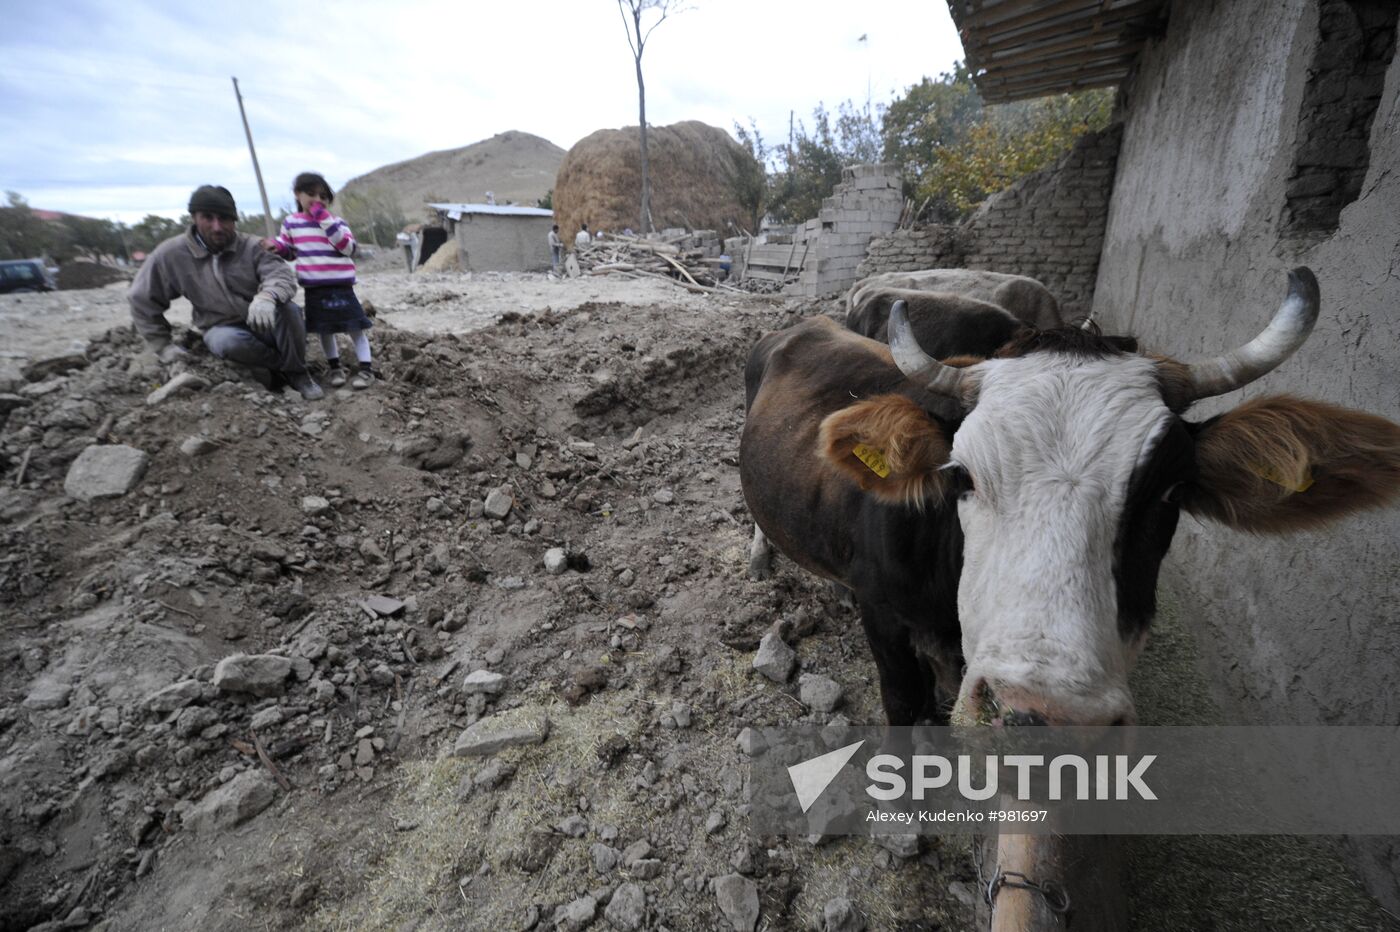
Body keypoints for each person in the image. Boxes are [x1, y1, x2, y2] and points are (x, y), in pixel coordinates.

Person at [129, 184, 323, 400]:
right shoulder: (171, 254)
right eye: (208, 218)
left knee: (290, 311)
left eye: (224, 219)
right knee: (227, 342)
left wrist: (267, 296)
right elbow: (141, 298)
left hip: (263, 321)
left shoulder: (252, 246)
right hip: (220, 327)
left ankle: (298, 373)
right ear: (194, 217)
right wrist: (163, 346)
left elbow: (281, 275)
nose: (217, 226)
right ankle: (279, 368)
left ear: (234, 220)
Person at [263, 173, 376, 390]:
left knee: (356, 328)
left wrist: (325, 220)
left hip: (342, 286)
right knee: (325, 330)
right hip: (315, 288)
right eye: (311, 194)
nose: (318, 200)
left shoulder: (337, 223)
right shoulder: (292, 223)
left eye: (323, 196)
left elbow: (348, 248)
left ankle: (366, 369)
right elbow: (290, 252)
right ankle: (335, 368)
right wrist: (276, 247)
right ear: (298, 195)